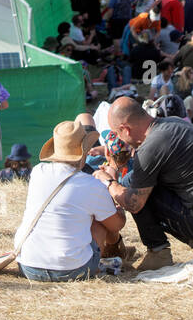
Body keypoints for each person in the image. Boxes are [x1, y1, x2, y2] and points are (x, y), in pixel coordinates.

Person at [100, 96, 193, 270]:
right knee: (135, 179)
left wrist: (108, 181)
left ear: (125, 129)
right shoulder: (172, 123)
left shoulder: (151, 146)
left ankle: (158, 253)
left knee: (130, 184)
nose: (119, 139)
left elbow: (134, 203)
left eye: (117, 133)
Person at [15, 120, 125, 282]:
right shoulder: (91, 185)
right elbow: (116, 225)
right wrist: (111, 187)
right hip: (72, 270)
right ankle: (110, 256)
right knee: (100, 220)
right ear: (84, 151)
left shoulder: (38, 172)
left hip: (28, 266)